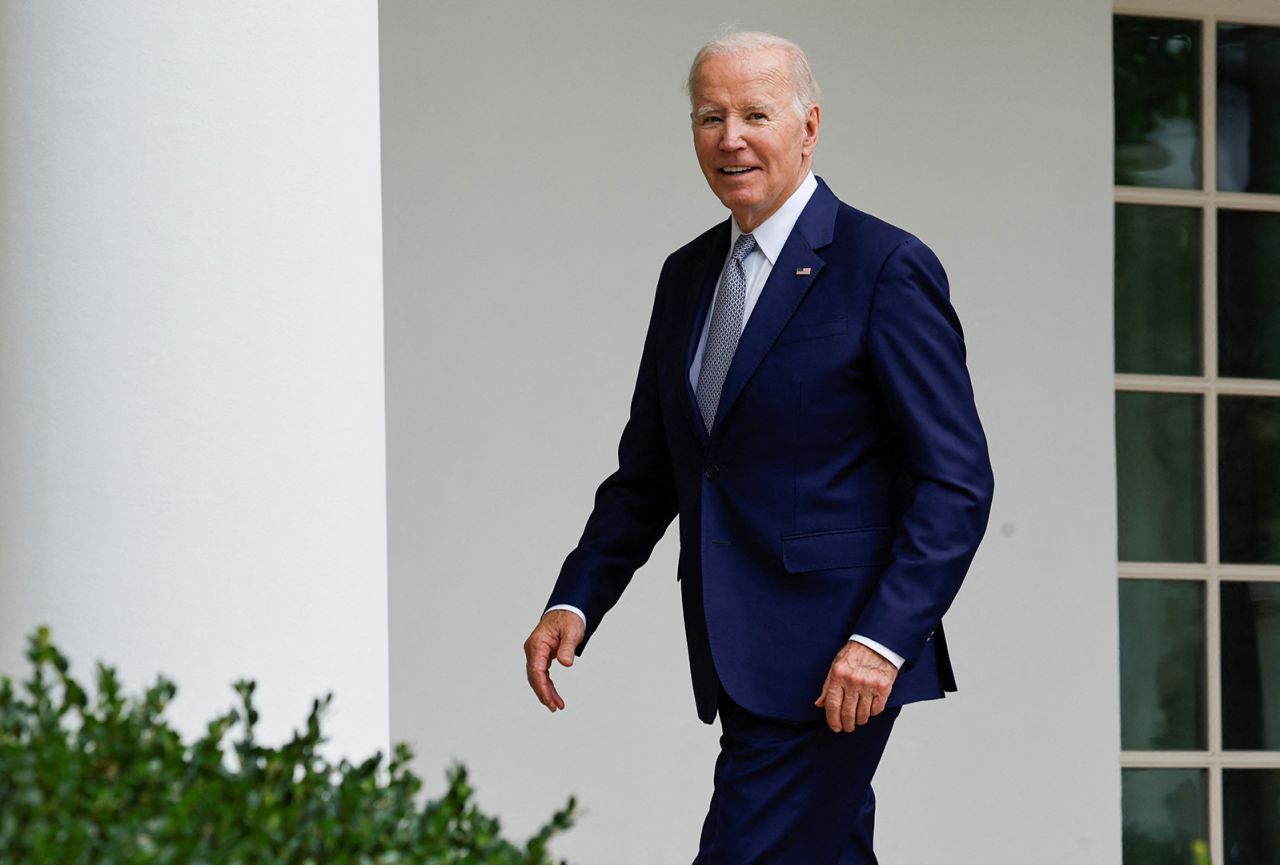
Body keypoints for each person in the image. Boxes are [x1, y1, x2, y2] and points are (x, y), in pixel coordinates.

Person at [522, 30, 994, 864]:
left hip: (836, 665)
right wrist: (577, 599)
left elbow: (955, 481)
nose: (729, 137)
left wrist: (882, 641)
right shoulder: (686, 275)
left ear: (808, 127)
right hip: (736, 652)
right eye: (710, 116)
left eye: (755, 113)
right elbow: (651, 473)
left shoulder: (883, 267)